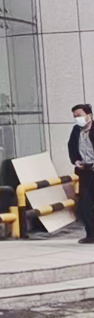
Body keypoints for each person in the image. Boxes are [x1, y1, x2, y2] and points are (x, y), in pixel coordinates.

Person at [69, 104, 94, 244]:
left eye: (79, 115)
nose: (77, 119)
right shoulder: (76, 130)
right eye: (74, 117)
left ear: (88, 115)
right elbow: (71, 146)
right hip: (85, 171)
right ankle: (91, 234)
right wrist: (75, 160)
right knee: (83, 206)